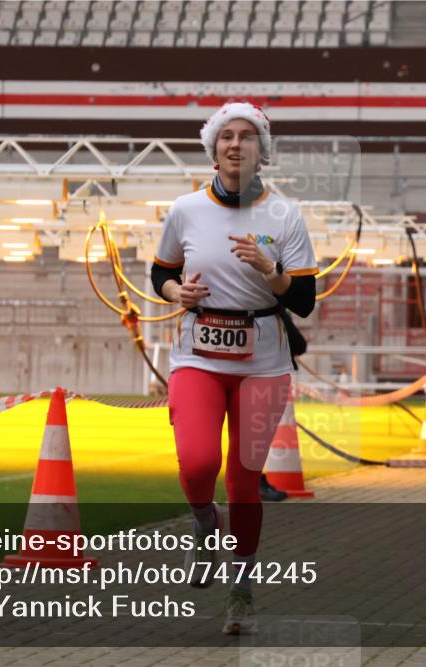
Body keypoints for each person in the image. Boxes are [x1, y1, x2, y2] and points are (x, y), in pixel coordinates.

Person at [149, 101, 317, 634]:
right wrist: (176, 292)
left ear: (261, 152)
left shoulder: (285, 215)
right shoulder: (185, 209)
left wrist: (272, 271)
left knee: (243, 480)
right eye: (227, 136)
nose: (236, 144)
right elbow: (160, 272)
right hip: (197, 357)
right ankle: (205, 525)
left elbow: (305, 300)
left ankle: (241, 588)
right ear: (213, 148)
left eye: (247, 136)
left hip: (263, 364)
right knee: (198, 464)